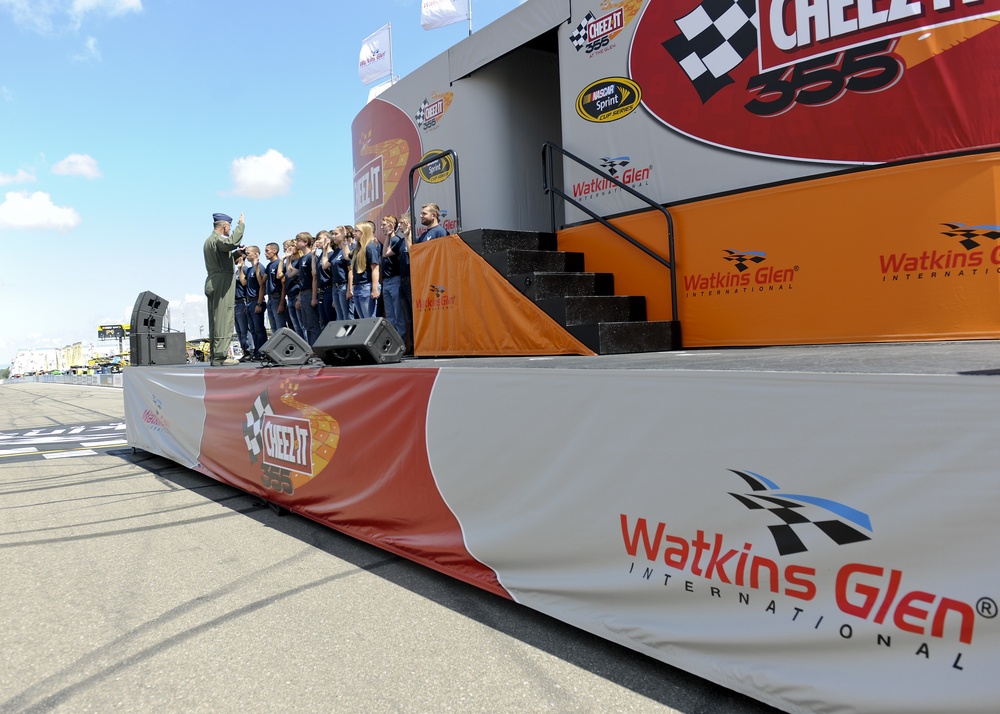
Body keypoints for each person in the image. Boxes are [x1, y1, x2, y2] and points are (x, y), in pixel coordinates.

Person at [203, 212, 245, 366]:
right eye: (230, 227)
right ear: (225, 226)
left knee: (216, 319)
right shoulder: (219, 239)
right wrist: (241, 226)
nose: (230, 229)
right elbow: (230, 243)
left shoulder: (210, 241)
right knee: (224, 317)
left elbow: (222, 260)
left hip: (214, 279)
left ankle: (216, 355)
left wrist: (237, 255)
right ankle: (221, 357)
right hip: (221, 281)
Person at [380, 215, 407, 346]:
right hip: (386, 281)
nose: (382, 227)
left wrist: (391, 234)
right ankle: (392, 342)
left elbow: (389, 253)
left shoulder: (397, 240)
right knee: (390, 316)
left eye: (384, 224)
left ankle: (400, 343)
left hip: (395, 279)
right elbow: (384, 253)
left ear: (391, 225)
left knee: (398, 314)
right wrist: (387, 236)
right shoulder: (389, 240)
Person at [347, 221, 381, 319]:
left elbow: (375, 268)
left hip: (366, 287)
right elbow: (347, 256)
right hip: (357, 287)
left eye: (357, 231)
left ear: (364, 232)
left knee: (369, 319)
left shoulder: (370, 247)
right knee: (363, 320)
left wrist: (374, 289)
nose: (354, 233)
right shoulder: (358, 249)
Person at [241, 245, 268, 360]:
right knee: (253, 330)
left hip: (256, 300)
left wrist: (259, 303)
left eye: (249, 253)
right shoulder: (250, 269)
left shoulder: (259, 267)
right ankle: (257, 352)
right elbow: (244, 283)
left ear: (256, 254)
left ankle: (262, 352)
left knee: (259, 329)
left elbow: (262, 285)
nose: (247, 255)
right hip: (249, 302)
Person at [279, 238, 305, 340]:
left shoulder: (300, 261)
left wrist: (299, 297)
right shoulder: (290, 262)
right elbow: (279, 275)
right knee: (296, 326)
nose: (287, 250)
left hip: (298, 294)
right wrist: (284, 259)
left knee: (303, 325)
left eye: (290, 247)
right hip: (290, 296)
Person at [329, 225, 354, 321]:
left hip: (344, 286)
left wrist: (349, 289)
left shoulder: (347, 249)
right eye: (333, 234)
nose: (333, 236)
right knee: (339, 317)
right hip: (335, 287)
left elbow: (350, 270)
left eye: (336, 234)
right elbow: (324, 265)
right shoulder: (335, 252)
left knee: (347, 316)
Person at [262, 242, 287, 334]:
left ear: (274, 251)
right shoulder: (269, 265)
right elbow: (262, 281)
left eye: (267, 251)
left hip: (278, 298)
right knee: (273, 328)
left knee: (280, 327)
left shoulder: (279, 264)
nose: (265, 253)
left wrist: (281, 303)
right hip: (270, 298)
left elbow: (284, 284)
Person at [315, 231, 334, 332]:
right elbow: (314, 272)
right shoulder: (321, 255)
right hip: (321, 291)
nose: (317, 241)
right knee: (324, 322)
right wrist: (314, 255)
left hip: (330, 290)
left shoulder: (332, 254)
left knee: (332, 321)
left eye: (320, 239)